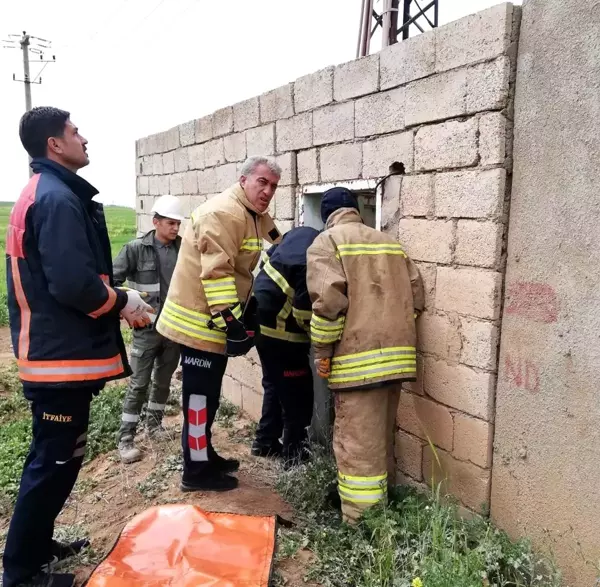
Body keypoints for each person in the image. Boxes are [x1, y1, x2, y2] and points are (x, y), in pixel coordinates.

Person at [3, 107, 152, 587]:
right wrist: (124, 301)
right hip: (56, 360)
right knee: (52, 462)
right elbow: (74, 285)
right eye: (74, 132)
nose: (83, 138)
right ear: (54, 145)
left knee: (62, 456)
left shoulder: (50, 193)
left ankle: (37, 546)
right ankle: (21, 573)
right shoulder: (56, 199)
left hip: (59, 357)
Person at [156, 155, 282, 492]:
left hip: (212, 325)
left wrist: (292, 244)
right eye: (262, 183)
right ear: (244, 180)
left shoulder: (250, 212)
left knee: (208, 397)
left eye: (273, 186)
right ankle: (195, 473)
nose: (268, 191)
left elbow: (272, 233)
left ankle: (203, 454)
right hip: (199, 325)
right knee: (199, 400)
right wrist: (232, 323)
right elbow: (217, 273)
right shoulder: (223, 213)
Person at [306, 187, 424, 524]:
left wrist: (322, 352)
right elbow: (416, 296)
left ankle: (362, 524)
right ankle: (381, 506)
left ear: (326, 215)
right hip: (398, 364)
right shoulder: (389, 243)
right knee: (379, 438)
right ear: (356, 209)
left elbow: (328, 305)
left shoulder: (326, 243)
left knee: (358, 447)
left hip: (357, 366)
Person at [114, 194, 184, 463]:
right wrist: (127, 308)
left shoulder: (183, 250)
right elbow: (112, 281)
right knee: (138, 384)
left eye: (178, 224)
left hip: (172, 330)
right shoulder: (135, 249)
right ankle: (126, 437)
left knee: (163, 383)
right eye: (170, 223)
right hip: (146, 331)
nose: (175, 228)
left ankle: (153, 427)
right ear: (156, 222)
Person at [251, 226, 319, 467]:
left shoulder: (298, 235)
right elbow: (303, 313)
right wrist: (321, 338)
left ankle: (265, 442)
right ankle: (294, 458)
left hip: (258, 321)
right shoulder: (314, 258)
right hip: (282, 334)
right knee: (298, 394)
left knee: (274, 383)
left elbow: (267, 258)